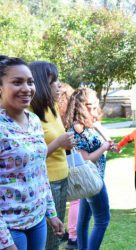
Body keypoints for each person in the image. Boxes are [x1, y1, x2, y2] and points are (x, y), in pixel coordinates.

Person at [0, 57, 64, 250]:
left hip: (37, 221)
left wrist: (51, 213)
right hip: (10, 227)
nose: (27, 88)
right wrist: (5, 241)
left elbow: (40, 171)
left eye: (30, 81)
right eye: (17, 82)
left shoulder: (35, 121)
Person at [29, 61, 74, 250]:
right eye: (52, 81)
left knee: (56, 237)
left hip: (62, 178)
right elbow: (30, 158)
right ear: (40, 85)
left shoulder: (52, 108)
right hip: (48, 183)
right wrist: (59, 143)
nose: (59, 85)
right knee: (49, 241)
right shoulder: (29, 113)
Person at [64, 87, 112, 250]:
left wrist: (105, 139)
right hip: (92, 179)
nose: (95, 107)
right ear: (80, 106)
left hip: (89, 180)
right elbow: (86, 159)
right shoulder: (78, 129)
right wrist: (104, 147)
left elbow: (106, 138)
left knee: (83, 222)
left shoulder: (87, 125)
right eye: (91, 104)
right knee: (102, 219)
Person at [57, 82, 79, 249]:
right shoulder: (65, 119)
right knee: (75, 200)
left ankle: (67, 233)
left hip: (62, 164)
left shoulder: (55, 115)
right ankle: (72, 236)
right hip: (63, 164)